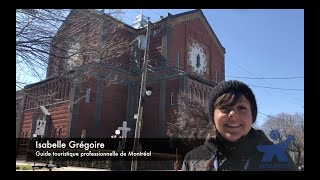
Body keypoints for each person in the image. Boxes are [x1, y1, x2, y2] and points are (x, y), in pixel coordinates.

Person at [181, 80, 297, 171]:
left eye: (241, 108)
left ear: (252, 116)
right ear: (213, 117)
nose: (233, 114)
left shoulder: (279, 159)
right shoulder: (192, 159)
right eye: (225, 108)